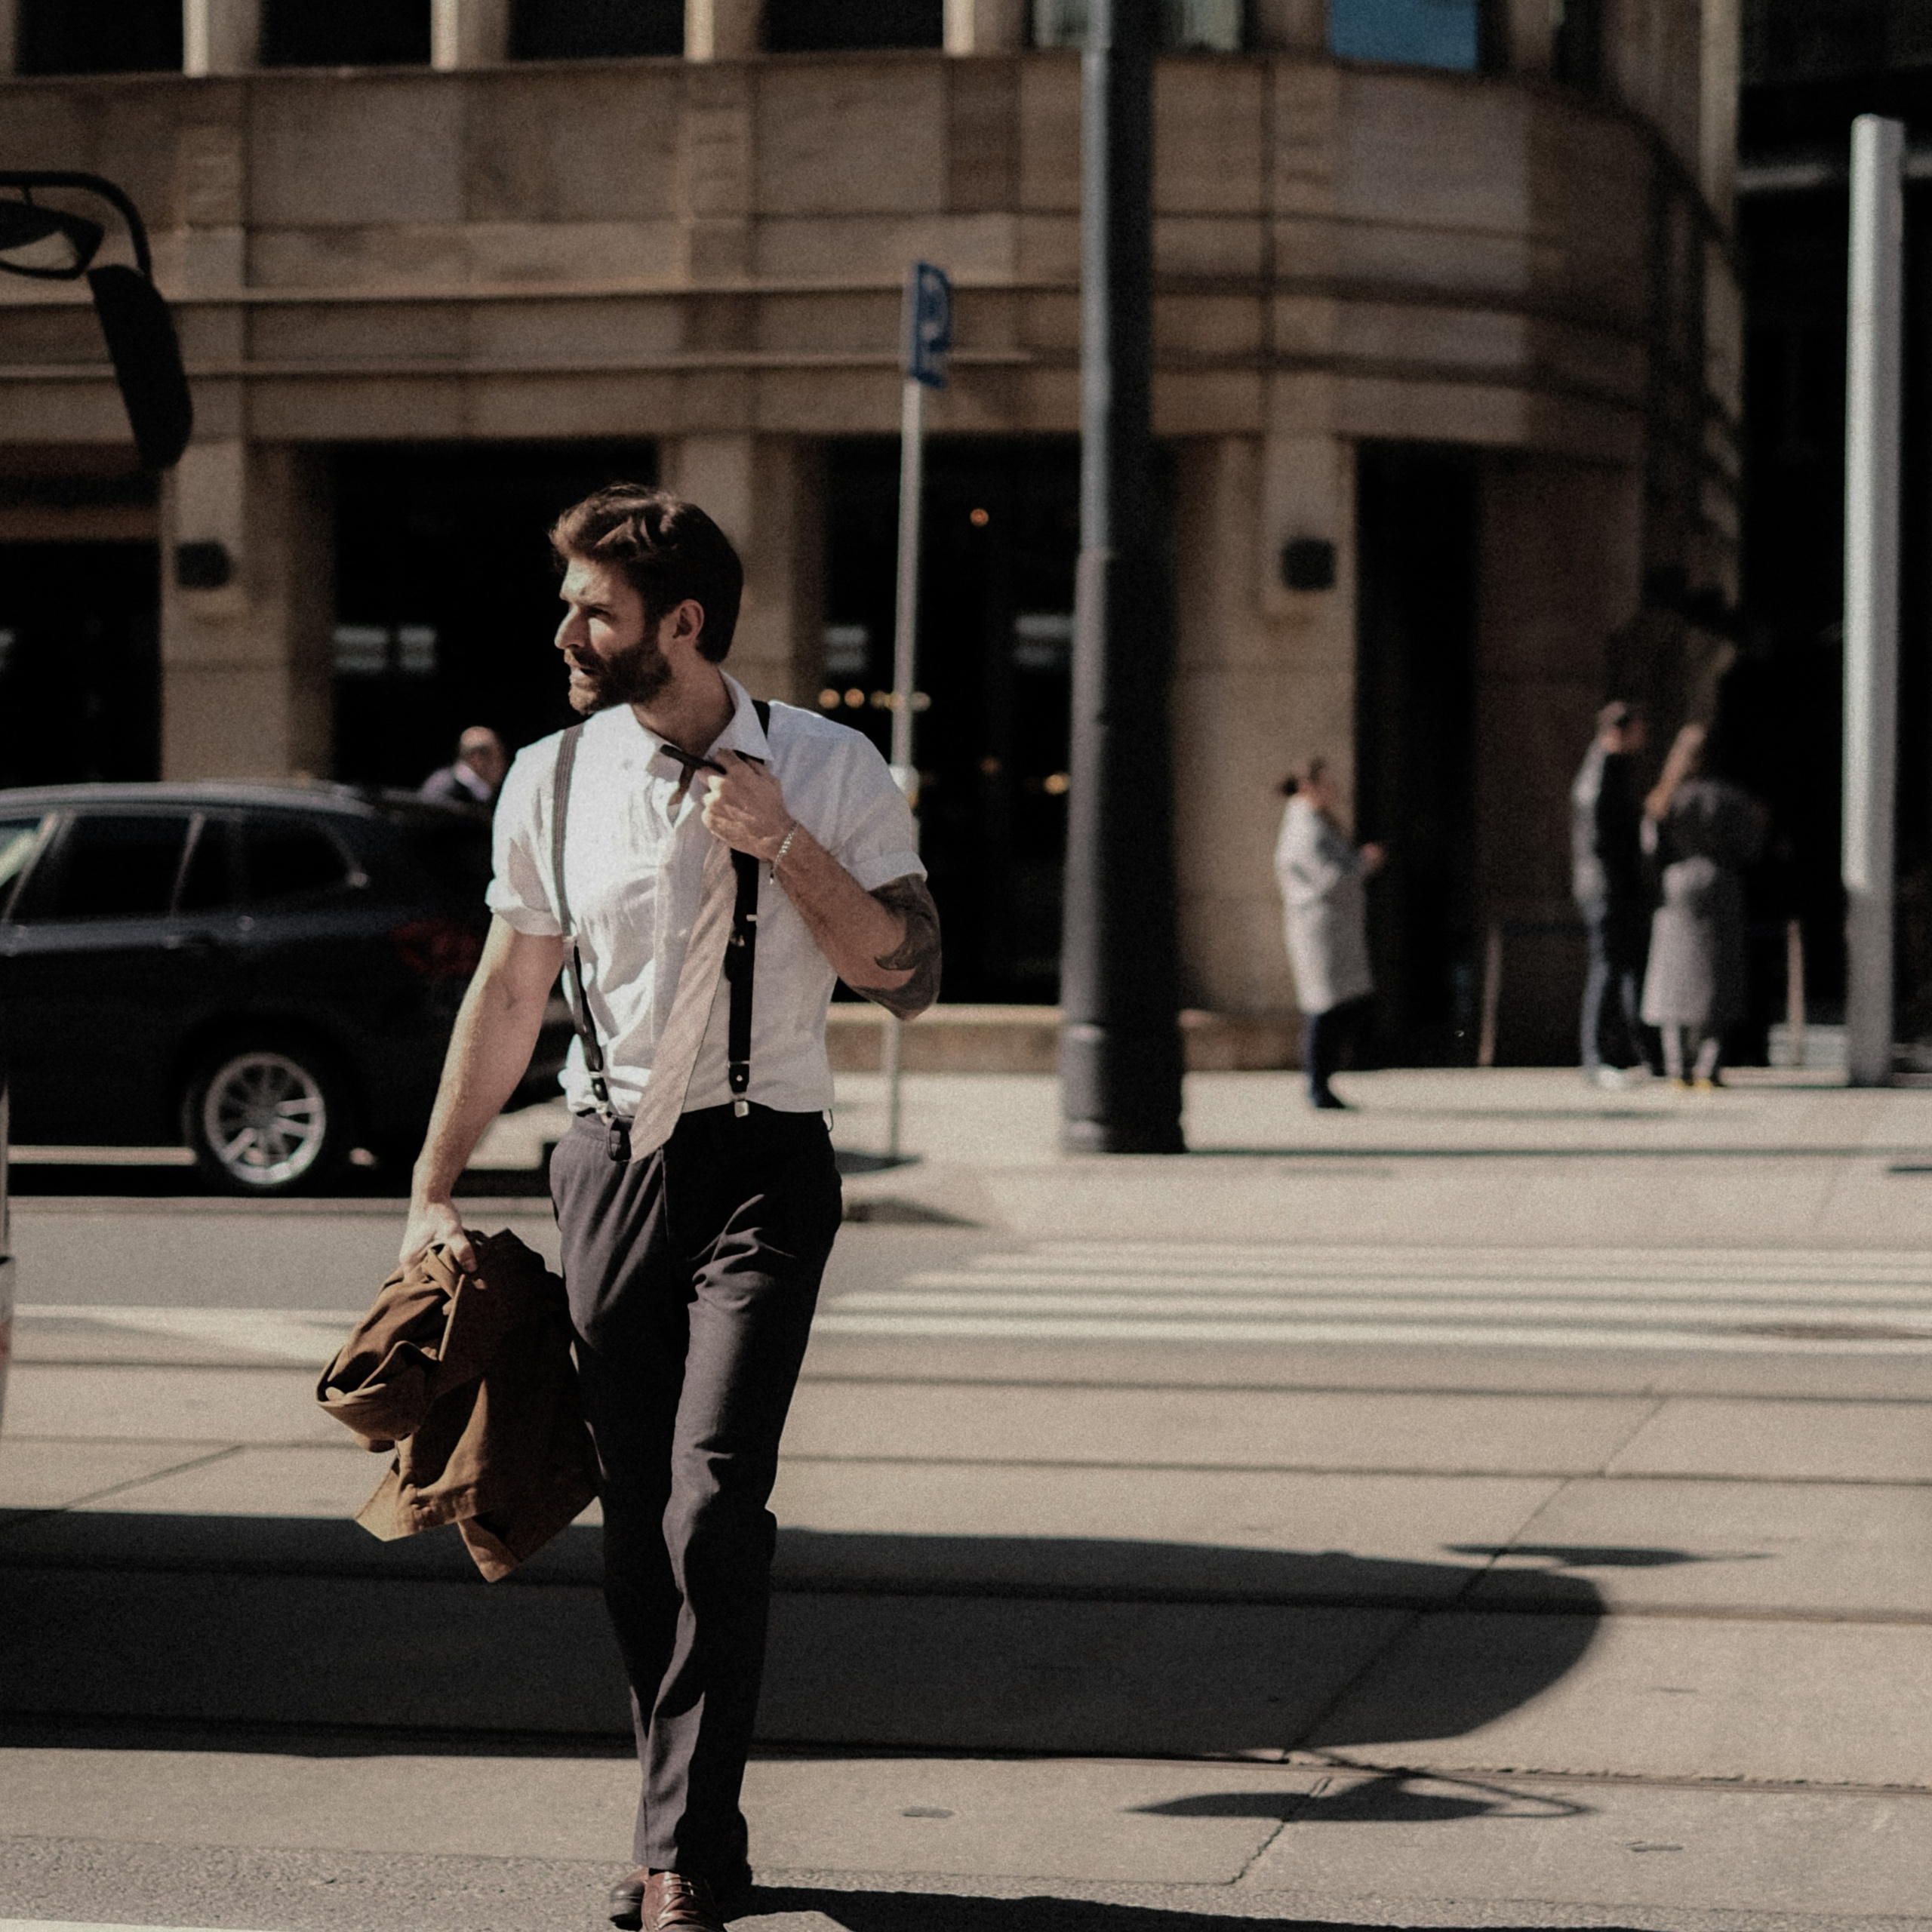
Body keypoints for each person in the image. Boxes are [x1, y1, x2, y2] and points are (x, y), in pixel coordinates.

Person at [396, 485, 940, 1932]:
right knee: (639, 1520)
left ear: (682, 625)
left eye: (595, 610)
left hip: (767, 1167)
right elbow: (513, 991)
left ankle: (680, 1851)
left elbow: (908, 970)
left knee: (713, 1505)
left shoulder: (827, 765)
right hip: (610, 1163)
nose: (566, 631)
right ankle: (691, 1827)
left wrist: (785, 845)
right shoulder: (552, 780)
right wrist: (432, 1184)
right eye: (571, 605)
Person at [1639, 721, 1767, 1088]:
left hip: (1676, 888)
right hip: (1719, 884)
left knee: (1672, 975)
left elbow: (1649, 849)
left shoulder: (1664, 798)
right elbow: (1749, 847)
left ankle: (1677, 1067)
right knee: (1717, 976)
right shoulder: (1731, 798)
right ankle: (1709, 1067)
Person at [1274, 758, 1383, 1109]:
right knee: (1325, 1008)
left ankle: (1323, 1081)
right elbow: (1324, 876)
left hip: (1334, 928)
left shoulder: (1315, 822)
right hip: (1320, 929)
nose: (1333, 791)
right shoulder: (1304, 828)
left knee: (1339, 1004)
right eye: (1326, 783)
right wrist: (1363, 863)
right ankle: (1318, 1084)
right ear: (1309, 787)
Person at [1571, 700, 1652, 1088]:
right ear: (1619, 731)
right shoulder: (1603, 772)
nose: (1644, 738)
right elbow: (1604, 840)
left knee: (1617, 968)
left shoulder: (1607, 767)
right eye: (1638, 729)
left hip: (1609, 887)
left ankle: (1618, 1053)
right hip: (1607, 889)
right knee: (1607, 969)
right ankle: (1596, 1057)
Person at [420, 724, 509, 808]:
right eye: (498, 757)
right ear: (476, 759)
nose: (503, 765)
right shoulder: (444, 790)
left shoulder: (481, 794)